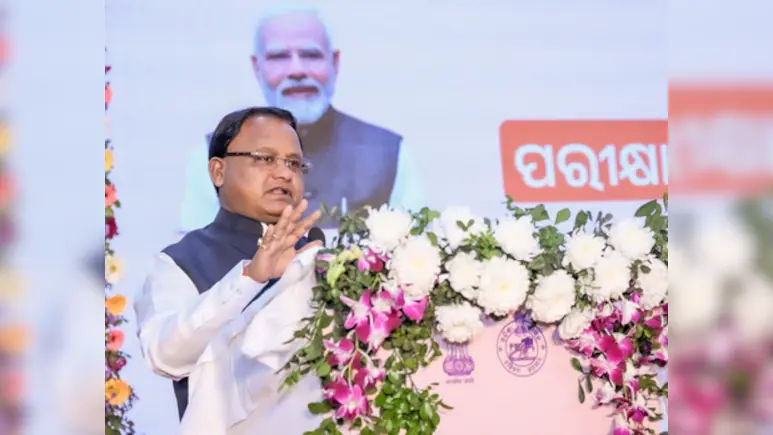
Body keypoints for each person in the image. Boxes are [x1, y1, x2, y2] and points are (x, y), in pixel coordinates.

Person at [134, 107, 324, 430]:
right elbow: (164, 353)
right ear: (218, 171)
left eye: (294, 163)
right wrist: (250, 278)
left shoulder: (319, 258)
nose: (284, 173)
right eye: (266, 158)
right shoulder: (181, 261)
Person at [179, 4, 424, 232]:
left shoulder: (391, 153)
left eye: (311, 55)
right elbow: (196, 256)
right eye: (279, 57)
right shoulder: (213, 154)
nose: (296, 70)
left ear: (335, 63)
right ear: (257, 67)